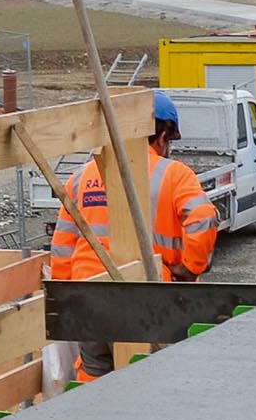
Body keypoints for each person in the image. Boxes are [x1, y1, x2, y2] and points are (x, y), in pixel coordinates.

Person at [45, 89, 221, 380]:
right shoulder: (174, 175)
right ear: (162, 136)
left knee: (94, 379)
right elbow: (203, 219)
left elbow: (63, 245)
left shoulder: (82, 177)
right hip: (149, 301)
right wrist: (190, 268)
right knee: (148, 381)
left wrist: (65, 296)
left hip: (86, 299)